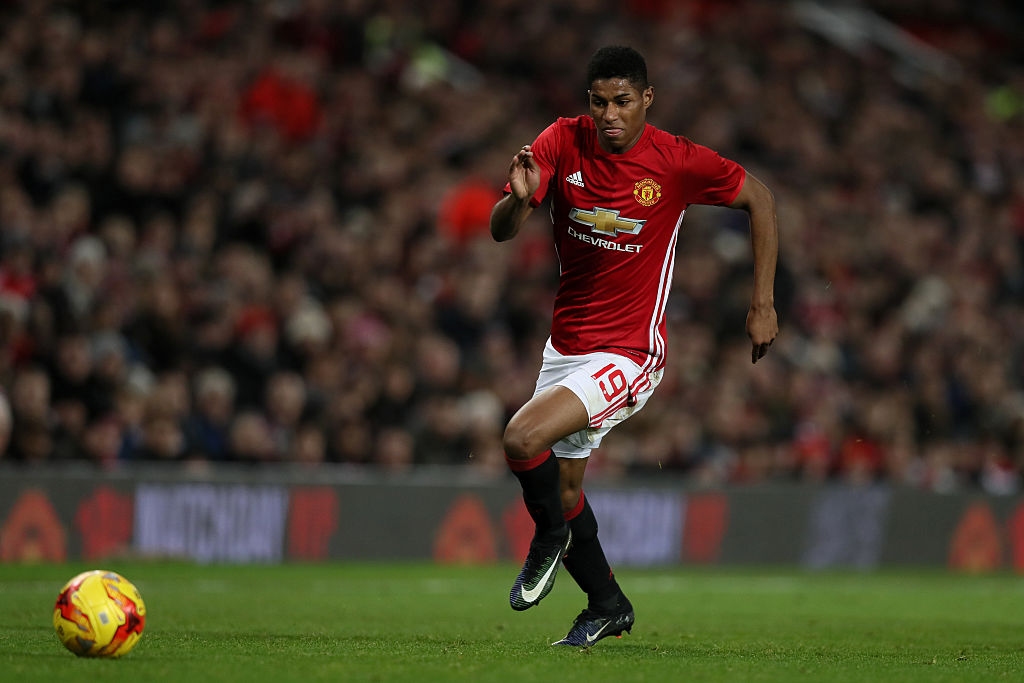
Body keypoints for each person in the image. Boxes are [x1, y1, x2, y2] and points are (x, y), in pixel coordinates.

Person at [490, 46, 779, 647]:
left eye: (622, 101)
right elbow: (501, 231)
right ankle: (607, 604)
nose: (610, 115)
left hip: (630, 352)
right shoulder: (561, 141)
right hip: (565, 348)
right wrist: (517, 199)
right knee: (564, 491)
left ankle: (549, 538)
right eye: (599, 102)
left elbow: (761, 199)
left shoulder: (676, 161)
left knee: (521, 438)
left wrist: (762, 304)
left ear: (647, 98)